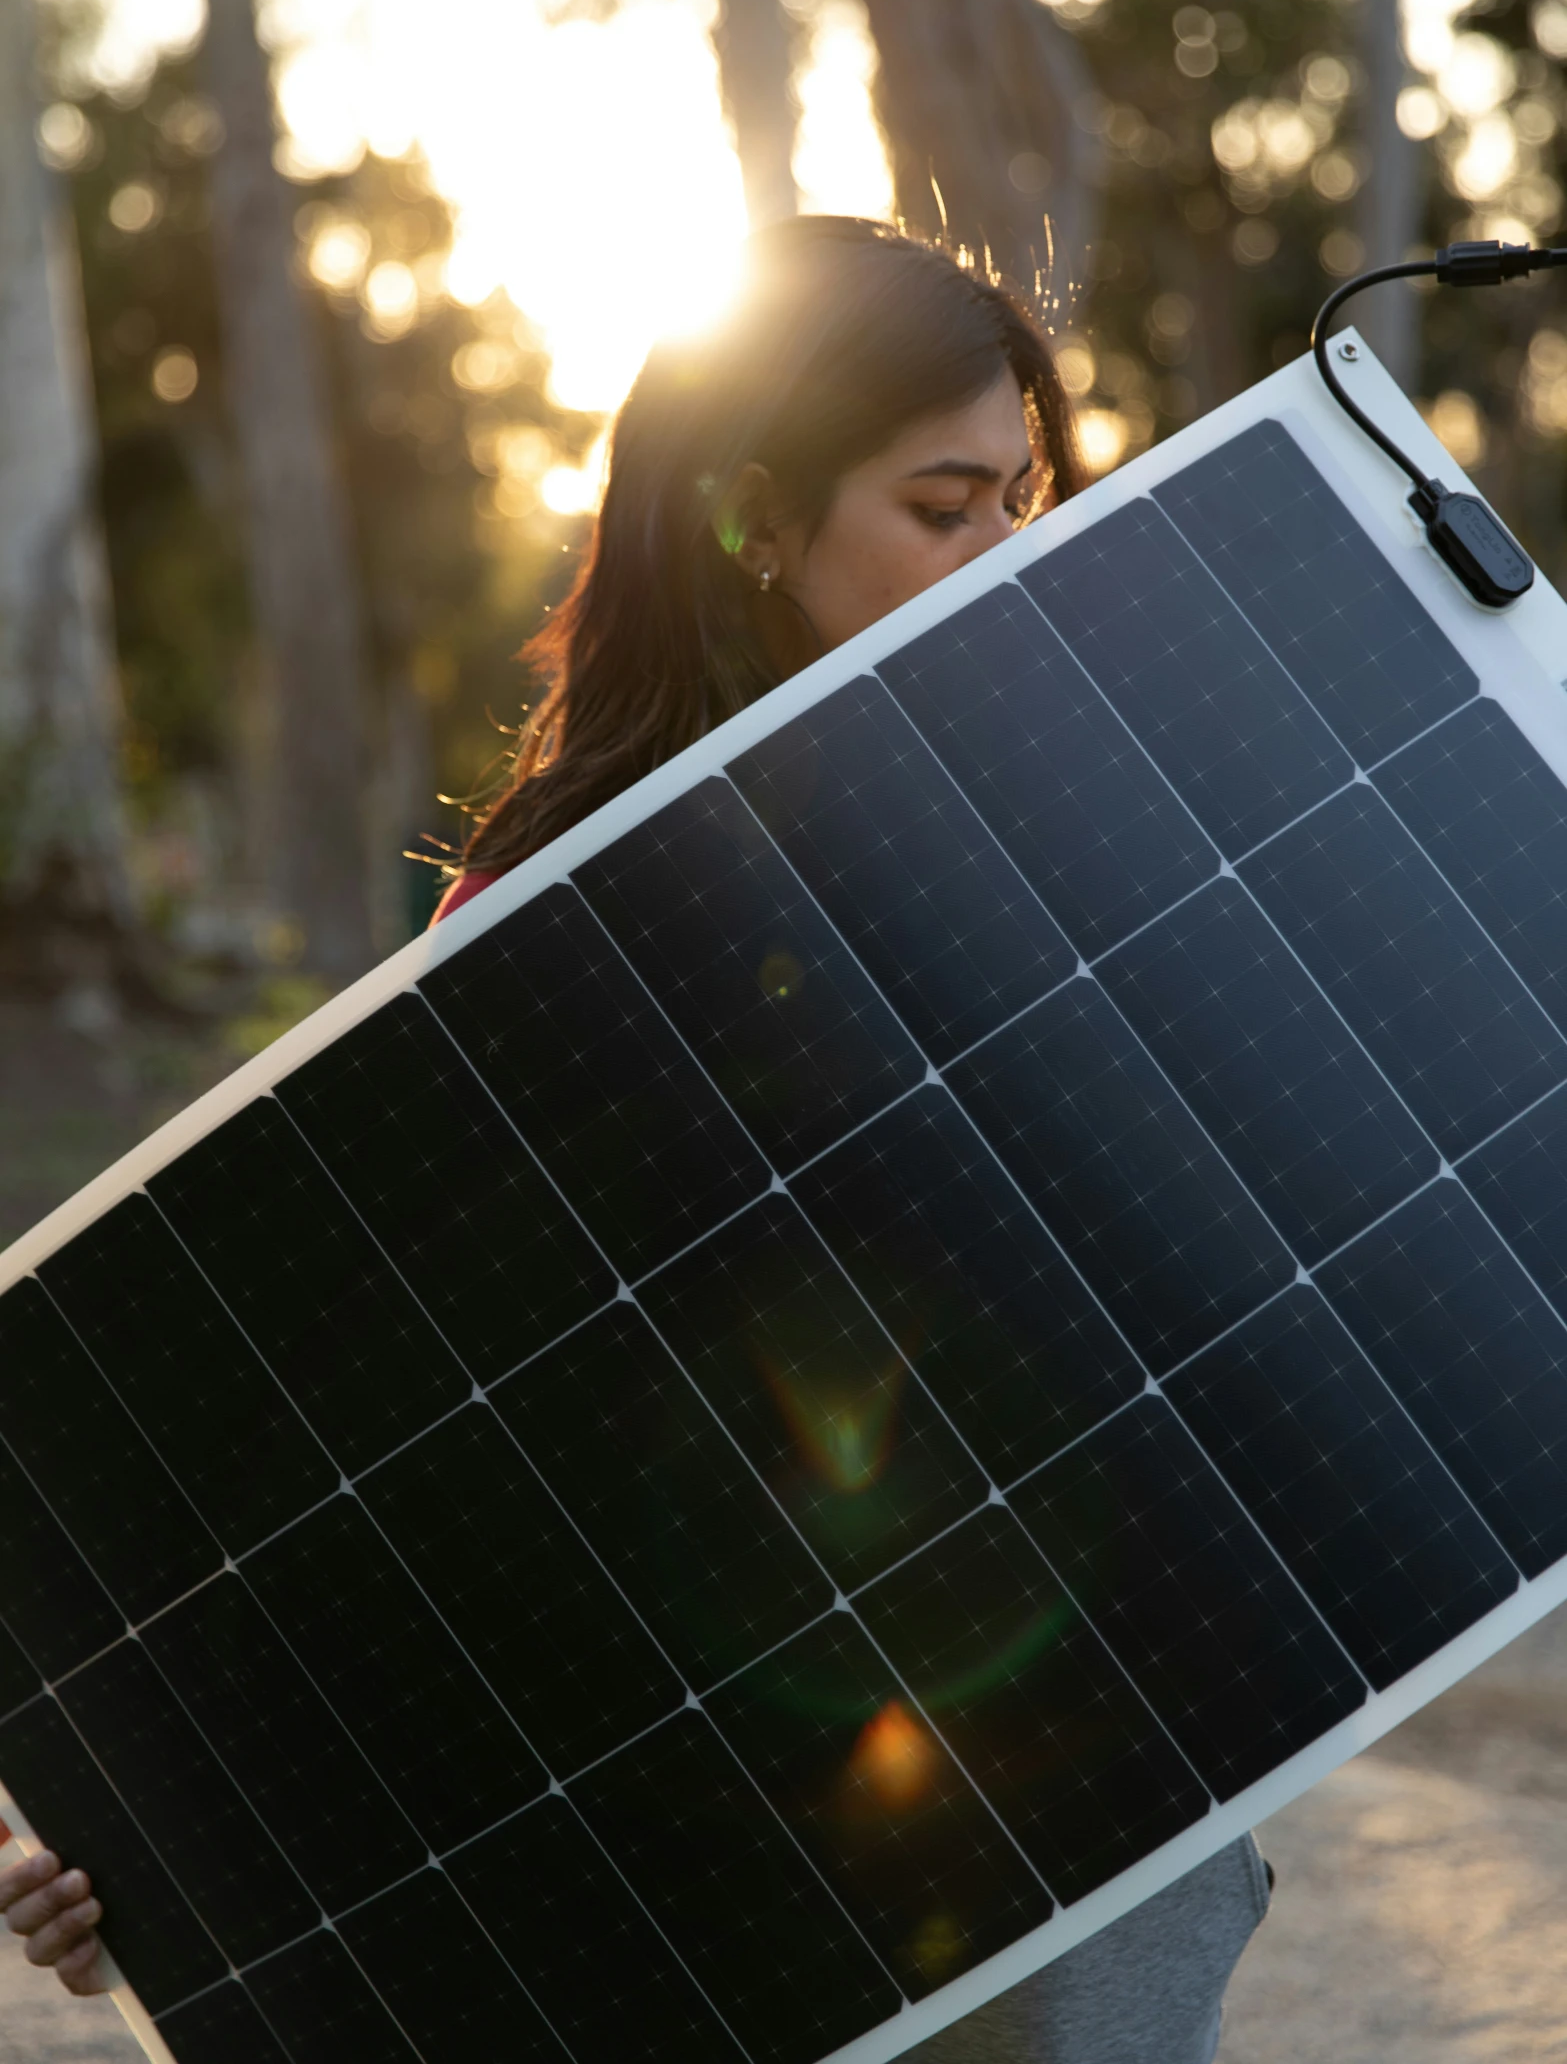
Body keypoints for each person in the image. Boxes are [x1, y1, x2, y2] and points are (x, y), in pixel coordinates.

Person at [0, 217, 1269, 2059]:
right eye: (942, 505)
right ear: (756, 516)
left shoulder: (1089, 845)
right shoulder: (530, 930)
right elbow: (384, 1458)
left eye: (1023, 492)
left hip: (1078, 1782)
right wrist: (160, 1844)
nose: (1010, 551)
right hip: (713, 1842)